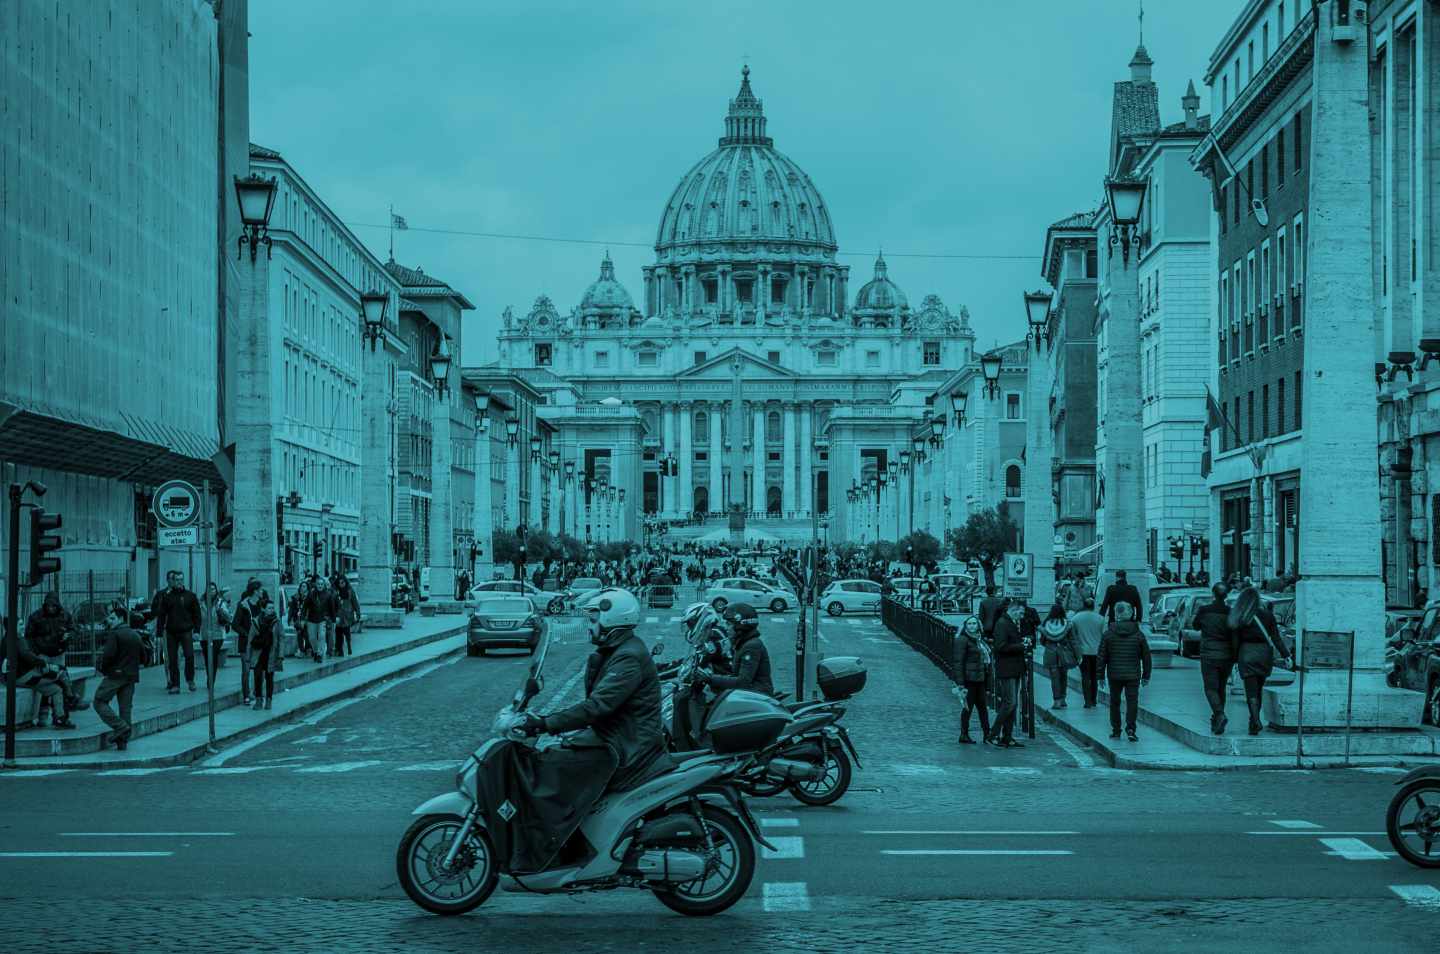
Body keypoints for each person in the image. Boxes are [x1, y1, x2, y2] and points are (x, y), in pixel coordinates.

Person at [516, 589, 666, 792]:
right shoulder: (618, 650)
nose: (590, 626)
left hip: (626, 747)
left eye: (594, 621)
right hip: (617, 736)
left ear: (611, 622)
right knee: (558, 755)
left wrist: (545, 723)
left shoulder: (628, 657)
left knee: (553, 767)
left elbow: (597, 706)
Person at [1230, 586, 1294, 735]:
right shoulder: (1267, 615)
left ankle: (1255, 719)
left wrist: (1234, 659)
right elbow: (1276, 638)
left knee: (1250, 690)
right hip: (1264, 654)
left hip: (1246, 653)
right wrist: (1286, 655)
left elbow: (1235, 642)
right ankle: (1254, 721)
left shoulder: (1240, 617)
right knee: (1259, 688)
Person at [24, 591, 87, 717]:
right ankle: (47, 713)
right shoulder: (36, 616)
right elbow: (29, 637)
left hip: (58, 654)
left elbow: (74, 629)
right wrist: (37, 654)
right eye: (48, 606)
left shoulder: (65, 615)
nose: (51, 608)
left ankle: (61, 713)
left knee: (59, 681)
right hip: (43, 655)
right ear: (45, 605)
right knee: (49, 682)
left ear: (57, 606)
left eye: (53, 606)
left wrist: (69, 635)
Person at [1097, 602, 1151, 742]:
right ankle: (1131, 728)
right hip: (1133, 674)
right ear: (1131, 614)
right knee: (1132, 701)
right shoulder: (1139, 634)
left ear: (1116, 614)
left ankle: (1116, 730)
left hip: (1114, 674)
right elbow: (1146, 656)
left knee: (1114, 702)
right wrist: (1146, 675)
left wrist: (1100, 675)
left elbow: (1102, 656)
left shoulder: (1108, 634)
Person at [93, 605, 144, 750]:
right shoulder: (135, 634)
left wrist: (103, 669)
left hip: (115, 675)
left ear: (121, 618)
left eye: (112, 618)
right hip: (131, 676)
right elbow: (144, 656)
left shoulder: (115, 634)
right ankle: (123, 741)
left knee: (98, 701)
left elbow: (108, 656)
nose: (110, 621)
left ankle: (120, 726)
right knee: (125, 708)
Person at [7, 618, 74, 728]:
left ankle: (60, 718)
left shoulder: (10, 639)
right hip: (24, 677)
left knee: (56, 689)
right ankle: (71, 699)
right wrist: (42, 663)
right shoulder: (18, 640)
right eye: (20, 625)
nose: (23, 627)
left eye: (22, 624)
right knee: (61, 672)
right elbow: (27, 655)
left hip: (23, 675)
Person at [700, 603, 773, 697]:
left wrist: (710, 679)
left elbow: (743, 682)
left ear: (740, 626)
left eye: (729, 624)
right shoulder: (742, 643)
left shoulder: (751, 646)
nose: (726, 628)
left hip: (757, 695)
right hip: (750, 693)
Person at [1194, 583, 1236, 735]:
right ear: (1226, 596)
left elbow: (1195, 626)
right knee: (1221, 687)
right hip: (1226, 655)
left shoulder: (1204, 610)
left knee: (1210, 688)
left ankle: (1219, 714)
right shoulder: (1230, 612)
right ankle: (1217, 719)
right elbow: (1234, 633)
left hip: (1209, 653)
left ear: (1213, 594)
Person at [154, 570, 201, 694]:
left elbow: (197, 614)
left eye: (181, 579)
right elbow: (161, 615)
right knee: (172, 659)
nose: (179, 582)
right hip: (171, 632)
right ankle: (175, 684)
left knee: (189, 655)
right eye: (177, 580)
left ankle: (190, 679)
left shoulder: (190, 596)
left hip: (186, 631)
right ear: (172, 581)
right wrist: (159, 633)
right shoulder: (167, 597)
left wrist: (197, 630)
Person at [989, 601, 1027, 748]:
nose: (1022, 616)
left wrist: (1021, 642)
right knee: (1009, 703)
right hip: (1006, 668)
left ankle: (1007, 736)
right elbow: (1000, 646)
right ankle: (993, 734)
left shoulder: (1010, 622)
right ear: (1013, 610)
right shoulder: (1002, 623)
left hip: (1014, 667)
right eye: (1021, 613)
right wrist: (1021, 646)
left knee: (1013, 703)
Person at [952, 615, 993, 744]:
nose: (972, 626)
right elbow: (958, 662)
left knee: (982, 707)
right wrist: (960, 682)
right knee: (967, 708)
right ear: (965, 626)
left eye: (974, 623)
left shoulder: (979, 640)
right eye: (969, 624)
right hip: (969, 679)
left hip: (980, 678)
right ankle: (964, 734)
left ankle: (987, 734)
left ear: (978, 625)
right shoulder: (963, 640)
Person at [1039, 604, 1080, 709]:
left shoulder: (1046, 624)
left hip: (1050, 653)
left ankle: (1056, 700)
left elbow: (1042, 641)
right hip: (1064, 653)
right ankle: (1063, 699)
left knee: (1054, 678)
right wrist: (1078, 655)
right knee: (1063, 676)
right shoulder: (1067, 624)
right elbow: (1073, 641)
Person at [1068, 598, 1106, 708]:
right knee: (1094, 676)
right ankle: (1094, 699)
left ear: (1083, 605)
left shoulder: (1076, 618)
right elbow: (1104, 636)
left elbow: (1073, 635)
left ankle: (1087, 701)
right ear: (1093, 606)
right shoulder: (1100, 619)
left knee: (1085, 676)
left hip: (1082, 651)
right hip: (1097, 651)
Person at [231, 580, 262, 705]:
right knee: (246, 670)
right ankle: (246, 695)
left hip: (259, 642)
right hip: (246, 644)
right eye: (260, 590)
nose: (262, 592)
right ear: (255, 591)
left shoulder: (261, 605)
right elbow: (235, 624)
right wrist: (246, 633)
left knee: (260, 669)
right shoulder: (243, 606)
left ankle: (257, 693)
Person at [248, 595, 281, 710]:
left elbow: (281, 638)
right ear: (263, 609)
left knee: (269, 678)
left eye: (273, 608)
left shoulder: (276, 622)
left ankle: (269, 700)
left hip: (271, 654)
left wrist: (280, 655)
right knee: (257, 677)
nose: (272, 610)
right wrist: (248, 656)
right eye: (269, 608)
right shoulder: (256, 621)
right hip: (258, 653)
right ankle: (258, 700)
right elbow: (250, 639)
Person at [197, 582, 230, 687]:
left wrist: (221, 610)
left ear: (216, 591)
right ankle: (209, 676)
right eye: (209, 589)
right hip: (204, 634)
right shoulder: (200, 602)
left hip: (217, 634)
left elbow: (228, 617)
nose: (211, 591)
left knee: (213, 656)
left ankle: (211, 680)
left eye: (213, 589)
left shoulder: (220, 602)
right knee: (207, 657)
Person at [303, 579, 330, 663]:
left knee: (322, 636)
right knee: (312, 637)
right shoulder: (311, 595)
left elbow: (331, 607)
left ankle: (319, 654)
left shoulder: (328, 595)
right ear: (316, 585)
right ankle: (315, 651)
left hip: (322, 619)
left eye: (322, 584)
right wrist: (303, 618)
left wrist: (333, 618)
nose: (320, 586)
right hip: (312, 619)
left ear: (324, 585)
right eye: (318, 584)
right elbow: (305, 607)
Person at [333, 576, 360, 657]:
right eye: (339, 583)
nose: (341, 584)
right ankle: (339, 649)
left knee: (346, 631)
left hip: (347, 615)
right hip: (338, 615)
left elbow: (355, 602)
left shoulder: (350, 591)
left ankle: (348, 645)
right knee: (338, 632)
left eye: (343, 582)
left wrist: (358, 613)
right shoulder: (335, 592)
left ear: (345, 582)